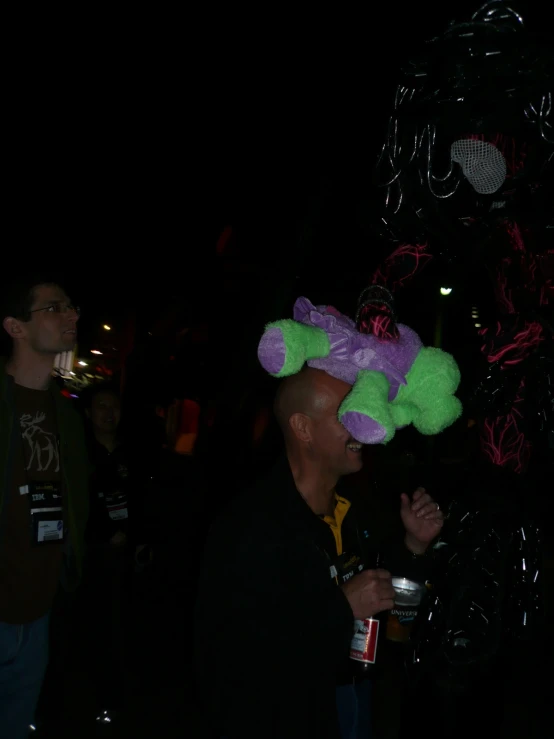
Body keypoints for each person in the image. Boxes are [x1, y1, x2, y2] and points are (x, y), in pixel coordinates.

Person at [194, 367, 444, 738]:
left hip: (354, 697)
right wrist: (341, 607)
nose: (363, 422)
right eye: (347, 411)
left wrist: (414, 546)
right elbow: (239, 655)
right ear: (303, 428)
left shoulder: (355, 509)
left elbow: (376, 591)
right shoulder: (250, 526)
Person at [0, 274, 89, 739]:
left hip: (39, 611)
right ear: (15, 327)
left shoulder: (69, 418)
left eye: (72, 306)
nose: (72, 315)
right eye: (55, 307)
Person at [80, 382, 151, 726]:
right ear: (89, 412)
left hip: (125, 556)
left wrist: (138, 539)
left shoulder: (131, 452)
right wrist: (107, 534)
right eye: (102, 406)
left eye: (114, 407)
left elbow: (141, 500)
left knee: (124, 622)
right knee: (94, 622)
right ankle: (91, 693)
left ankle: (119, 694)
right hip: (92, 553)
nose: (109, 413)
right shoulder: (80, 451)